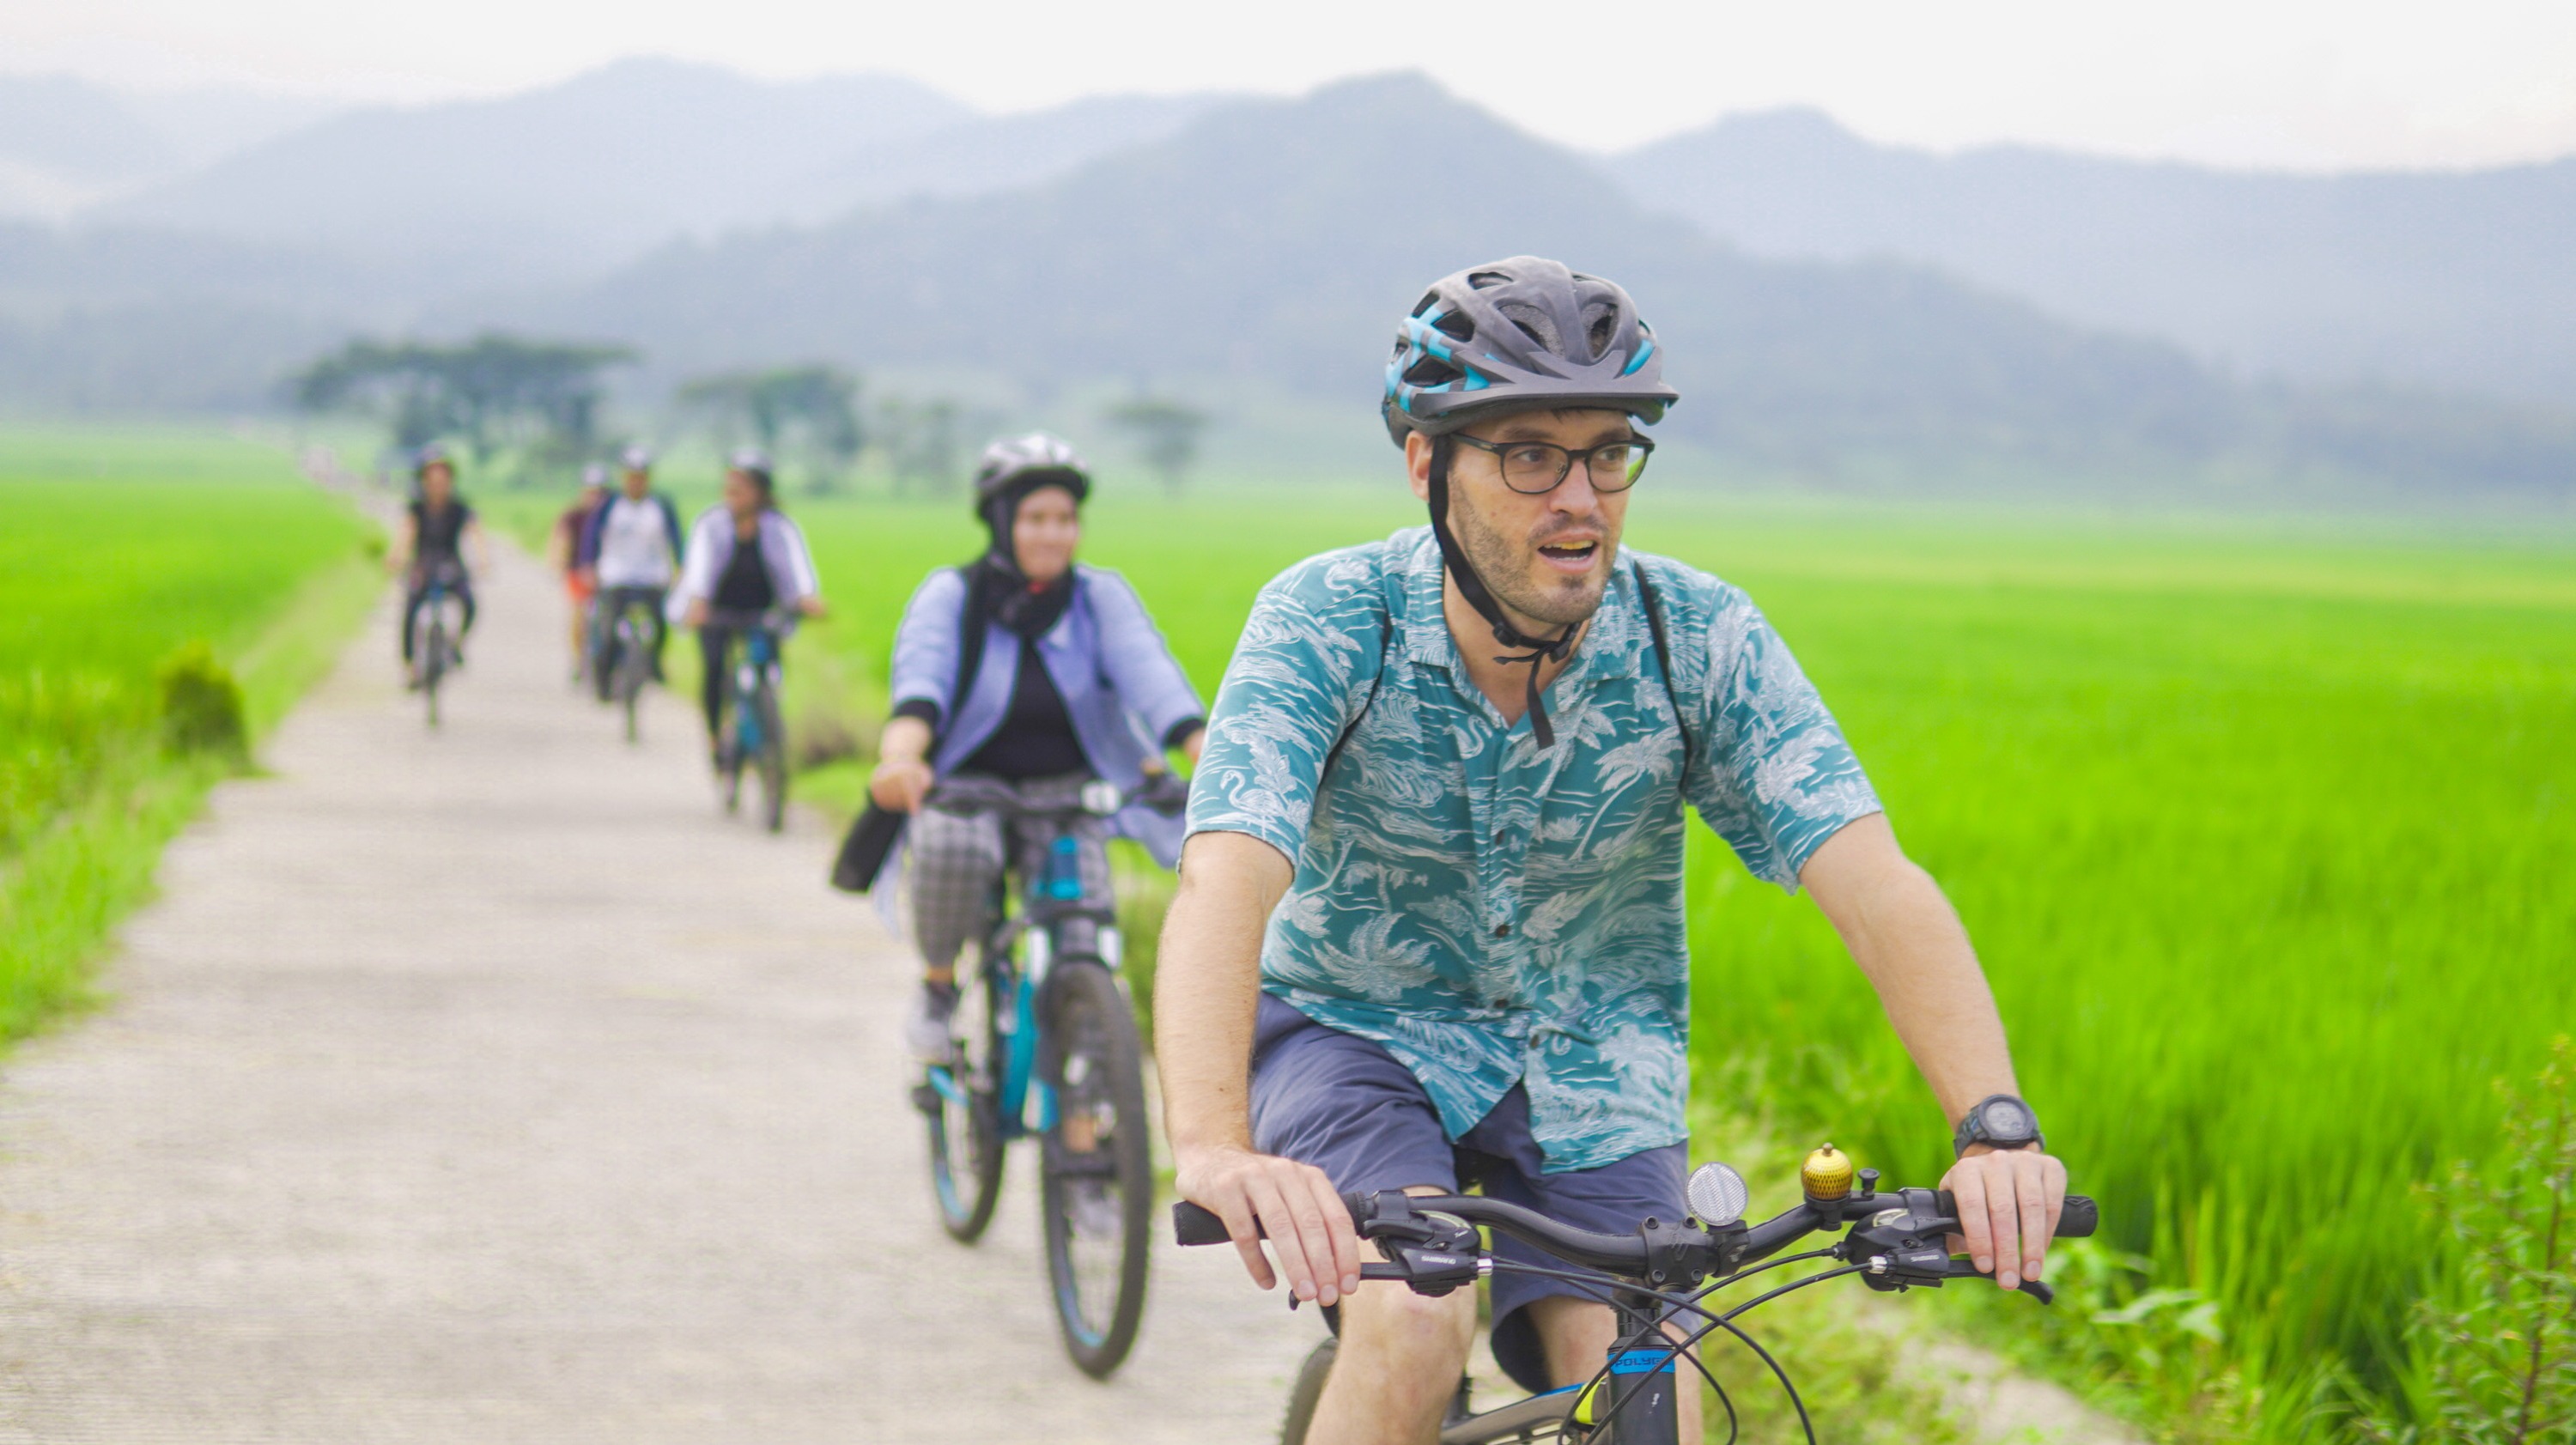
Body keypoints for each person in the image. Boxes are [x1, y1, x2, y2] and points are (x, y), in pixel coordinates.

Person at [1158, 257, 2069, 1445]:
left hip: (1597, 1064)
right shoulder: (1327, 620)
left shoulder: (1697, 638)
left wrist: (1994, 1126)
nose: (1578, 496)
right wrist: (1216, 1147)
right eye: (1530, 454)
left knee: (1656, 1395)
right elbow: (1227, 875)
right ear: (1429, 465)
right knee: (1418, 1319)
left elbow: (1875, 880)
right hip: (1355, 1031)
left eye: (1607, 451)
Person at [867, 434, 1206, 1062]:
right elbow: (920, 691)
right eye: (1035, 519)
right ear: (1002, 523)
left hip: (1072, 791)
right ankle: (939, 989)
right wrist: (901, 759)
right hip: (966, 788)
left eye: (1066, 520)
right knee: (952, 849)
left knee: (1085, 929)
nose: (1053, 535)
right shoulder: (953, 597)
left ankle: (1082, 1126)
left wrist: (1207, 751)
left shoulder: (1098, 598)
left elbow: (1153, 679)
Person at [669, 449, 827, 764]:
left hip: (762, 613)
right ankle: (715, 736)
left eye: (741, 488)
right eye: (729, 489)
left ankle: (768, 724)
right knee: (714, 669)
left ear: (760, 493)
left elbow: (799, 565)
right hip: (716, 613)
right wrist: (698, 601)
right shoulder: (711, 524)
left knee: (770, 668)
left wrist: (807, 596)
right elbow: (698, 564)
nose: (733, 495)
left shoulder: (780, 527)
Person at [577, 446, 683, 699]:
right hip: (616, 576)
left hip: (652, 576)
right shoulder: (609, 505)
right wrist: (588, 566)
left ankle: (653, 665)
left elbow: (677, 540)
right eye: (631, 476)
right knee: (608, 629)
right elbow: (591, 538)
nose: (636, 482)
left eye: (641, 476)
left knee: (660, 623)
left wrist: (681, 568)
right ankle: (603, 679)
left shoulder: (661, 506)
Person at [388, 443, 489, 685]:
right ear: (423, 480)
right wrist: (397, 557)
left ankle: (455, 644)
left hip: (451, 564)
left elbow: (476, 534)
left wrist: (483, 560)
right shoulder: (417, 508)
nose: (438, 482)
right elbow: (406, 534)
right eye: (432, 477)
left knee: (469, 604)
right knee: (410, 610)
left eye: (442, 477)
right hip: (423, 564)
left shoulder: (460, 507)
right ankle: (411, 665)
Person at [549, 463, 610, 679]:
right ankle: (577, 660)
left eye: (600, 493)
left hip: (606, 573)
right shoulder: (574, 515)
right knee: (578, 614)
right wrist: (557, 561)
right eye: (591, 492)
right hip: (577, 571)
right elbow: (560, 539)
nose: (595, 498)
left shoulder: (611, 515)